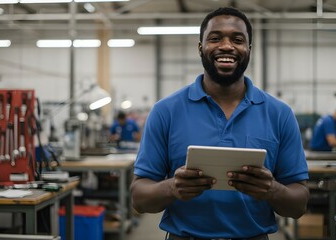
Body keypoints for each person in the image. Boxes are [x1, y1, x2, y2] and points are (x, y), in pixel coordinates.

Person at [130, 7, 310, 240]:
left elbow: (299, 205)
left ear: (249, 50)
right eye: (215, 38)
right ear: (200, 48)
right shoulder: (166, 111)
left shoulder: (279, 114)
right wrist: (172, 187)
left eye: (237, 39)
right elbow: (139, 198)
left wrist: (272, 190)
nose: (226, 46)